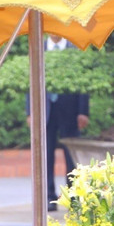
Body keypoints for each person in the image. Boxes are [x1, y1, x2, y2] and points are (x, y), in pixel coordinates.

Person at [26, 35, 89, 211]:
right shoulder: (38, 47)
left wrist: (83, 111)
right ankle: (49, 198)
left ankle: (73, 197)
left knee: (71, 157)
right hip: (44, 111)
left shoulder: (74, 49)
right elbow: (28, 83)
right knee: (45, 156)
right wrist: (30, 112)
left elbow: (83, 83)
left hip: (69, 111)